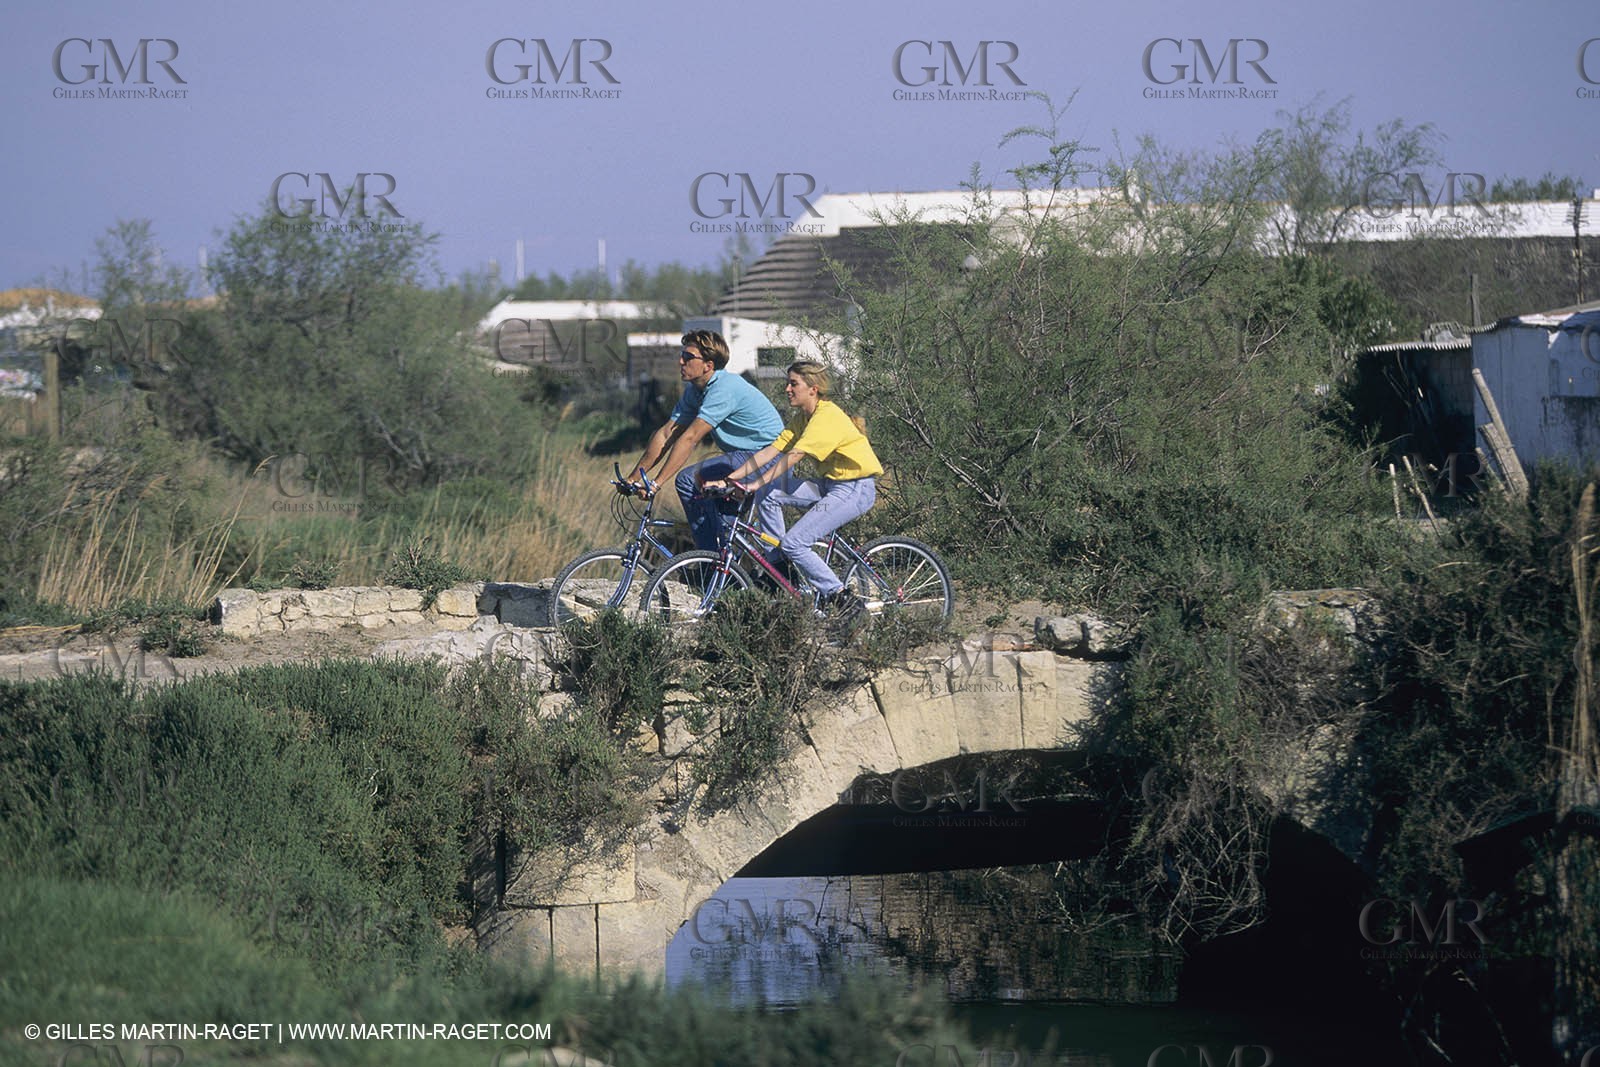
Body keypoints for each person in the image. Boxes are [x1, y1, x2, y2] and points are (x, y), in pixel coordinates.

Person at [704, 360, 882, 618]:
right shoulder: (803, 418)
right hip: (830, 485)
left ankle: (844, 601)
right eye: (788, 383)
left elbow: (794, 456)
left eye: (793, 383)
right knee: (770, 493)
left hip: (854, 488)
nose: (787, 388)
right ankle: (779, 569)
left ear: (813, 388)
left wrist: (753, 483)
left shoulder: (826, 417)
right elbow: (773, 450)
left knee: (795, 542)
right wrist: (729, 480)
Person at [627, 330, 783, 550]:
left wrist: (656, 483)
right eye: (682, 355)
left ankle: (709, 563)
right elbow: (666, 434)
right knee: (722, 524)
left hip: (769, 456)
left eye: (688, 357)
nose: (681, 361)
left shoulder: (724, 388)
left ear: (708, 365)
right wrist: (633, 478)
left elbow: (690, 438)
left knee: (687, 480)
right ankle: (727, 575)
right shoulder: (695, 391)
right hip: (742, 458)